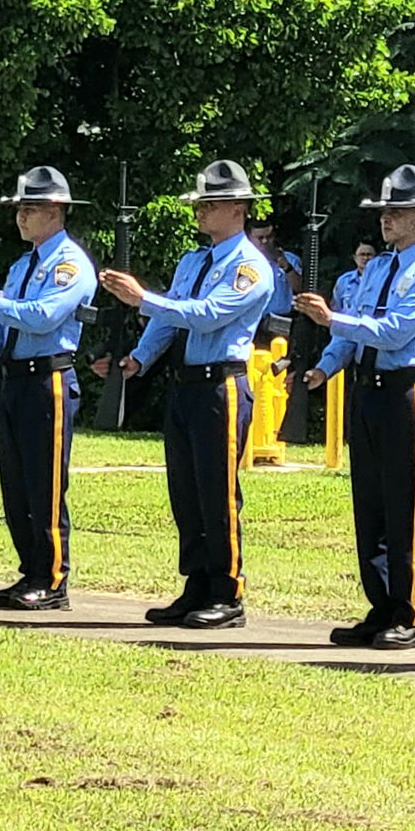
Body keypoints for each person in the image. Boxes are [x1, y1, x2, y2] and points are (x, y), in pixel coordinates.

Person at [97, 159, 273, 630]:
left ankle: (227, 591)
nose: (201, 211)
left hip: (221, 385)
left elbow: (208, 315)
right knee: (186, 491)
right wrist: (138, 359)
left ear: (238, 208)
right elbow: (168, 319)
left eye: (210, 204)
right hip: (186, 383)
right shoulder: (194, 261)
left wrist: (142, 298)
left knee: (217, 492)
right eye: (200, 204)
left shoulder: (250, 266)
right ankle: (196, 583)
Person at [298, 165, 415, 649]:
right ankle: (380, 606)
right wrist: (326, 366)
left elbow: (394, 333)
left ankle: (408, 613)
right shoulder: (379, 268)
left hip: (405, 393)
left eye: (398, 211)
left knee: (404, 505)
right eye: (384, 210)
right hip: (367, 391)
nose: (387, 218)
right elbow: (356, 327)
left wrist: (331, 320)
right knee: (369, 504)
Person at [0, 166, 96, 609]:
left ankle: (52, 579)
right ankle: (30, 570)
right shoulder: (22, 265)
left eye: (29, 208)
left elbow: (43, 317)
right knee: (16, 485)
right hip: (14, 378)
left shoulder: (69, 264)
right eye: (19, 209)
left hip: (48, 379)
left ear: (55, 211)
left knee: (44, 484)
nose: (21, 217)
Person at [249, 219, 303, 317]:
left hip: (282, 318)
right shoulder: (242, 261)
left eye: (269, 237)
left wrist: (286, 267)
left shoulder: (290, 259)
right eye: (260, 238)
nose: (265, 241)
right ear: (249, 238)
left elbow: (301, 288)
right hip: (254, 319)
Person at [332, 239, 377, 314]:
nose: (365, 258)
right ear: (355, 258)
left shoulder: (382, 280)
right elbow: (336, 309)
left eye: (369, 255)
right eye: (362, 254)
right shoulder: (344, 281)